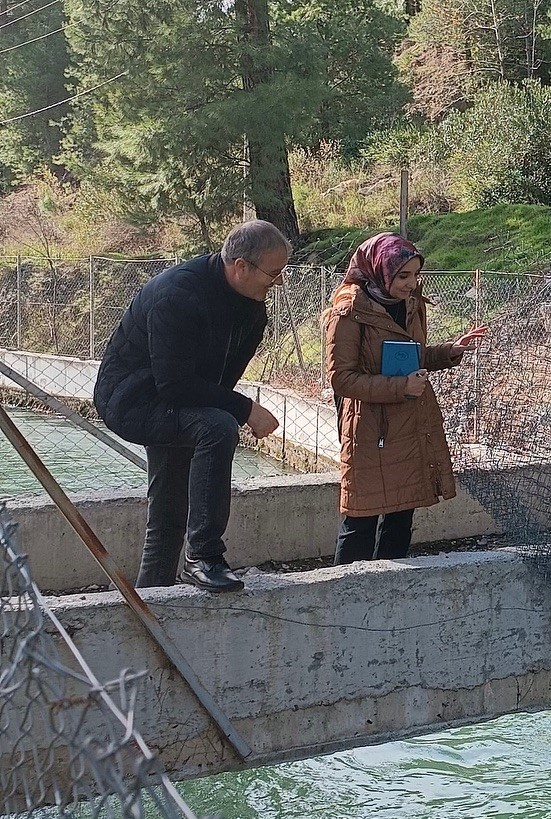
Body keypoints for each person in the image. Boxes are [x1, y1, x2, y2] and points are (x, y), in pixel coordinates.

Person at [94, 220, 288, 593]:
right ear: (241, 266)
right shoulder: (178, 294)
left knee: (169, 510)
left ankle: (154, 597)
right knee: (217, 427)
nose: (277, 283)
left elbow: (219, 380)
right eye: (273, 273)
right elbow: (175, 384)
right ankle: (204, 556)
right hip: (131, 399)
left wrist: (227, 405)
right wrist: (245, 409)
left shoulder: (252, 309)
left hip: (178, 402)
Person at [324, 233, 486, 565]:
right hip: (370, 430)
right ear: (379, 270)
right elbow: (341, 377)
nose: (412, 284)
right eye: (404, 276)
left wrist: (448, 352)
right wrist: (400, 388)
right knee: (361, 520)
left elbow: (410, 356)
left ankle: (389, 593)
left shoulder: (411, 304)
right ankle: (342, 598)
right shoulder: (349, 310)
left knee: (401, 518)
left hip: (411, 426)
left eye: (416, 275)